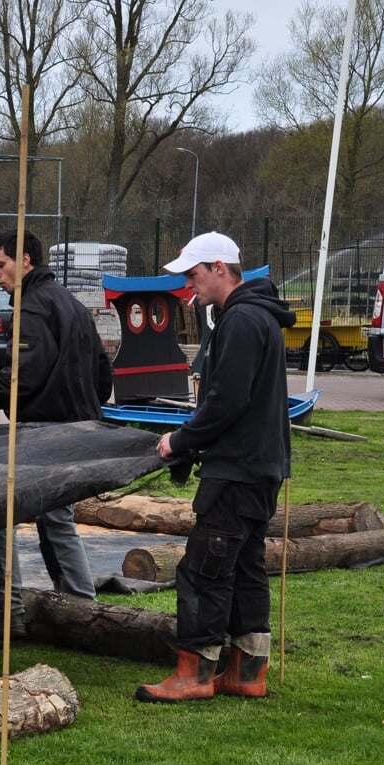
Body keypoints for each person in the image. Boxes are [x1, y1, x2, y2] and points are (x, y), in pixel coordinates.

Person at [137, 232, 294, 702]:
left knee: (204, 568)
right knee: (245, 567)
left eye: (193, 274)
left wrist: (179, 442)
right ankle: (247, 672)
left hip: (238, 470)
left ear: (220, 269)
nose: (189, 286)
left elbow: (227, 401)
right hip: (259, 467)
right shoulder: (254, 315)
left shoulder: (242, 320)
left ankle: (195, 673)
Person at [0, 230, 114, 644]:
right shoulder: (72, 304)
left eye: (1, 266)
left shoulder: (32, 308)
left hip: (44, 430)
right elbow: (104, 376)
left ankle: (17, 612)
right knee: (56, 520)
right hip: (79, 428)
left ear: (25, 261)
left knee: (0, 512)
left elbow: (24, 373)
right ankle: (79, 609)